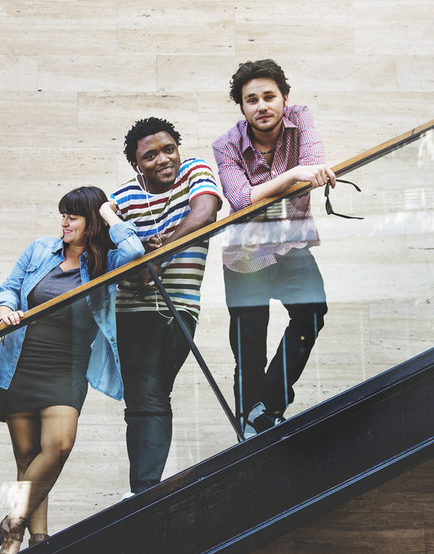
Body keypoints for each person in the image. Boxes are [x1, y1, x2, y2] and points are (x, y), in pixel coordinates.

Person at [0, 186, 144, 554]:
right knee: (27, 457)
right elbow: (8, 289)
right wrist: (4, 311)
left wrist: (109, 214)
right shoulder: (40, 249)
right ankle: (28, 541)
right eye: (63, 215)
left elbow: (136, 251)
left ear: (91, 222)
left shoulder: (106, 261)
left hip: (67, 368)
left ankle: (13, 518)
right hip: (20, 362)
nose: (64, 223)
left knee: (57, 446)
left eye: (72, 216)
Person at [212, 59, 334, 437]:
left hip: (291, 243)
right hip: (244, 254)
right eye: (252, 100)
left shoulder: (302, 119)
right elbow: (241, 199)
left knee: (312, 311)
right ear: (242, 107)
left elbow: (313, 169)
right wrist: (293, 174)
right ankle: (250, 427)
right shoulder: (226, 145)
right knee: (249, 342)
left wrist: (298, 174)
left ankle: (265, 407)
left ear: (285, 98)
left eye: (269, 96)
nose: (262, 106)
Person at [111, 118, 222, 495]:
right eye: (150, 155)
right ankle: (141, 490)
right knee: (139, 398)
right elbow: (111, 254)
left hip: (178, 309)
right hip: (128, 310)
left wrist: (159, 256)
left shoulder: (194, 169)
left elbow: (205, 212)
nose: (163, 159)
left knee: (152, 391)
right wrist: (136, 259)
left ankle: (144, 491)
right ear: (135, 164)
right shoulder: (123, 198)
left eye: (168, 149)